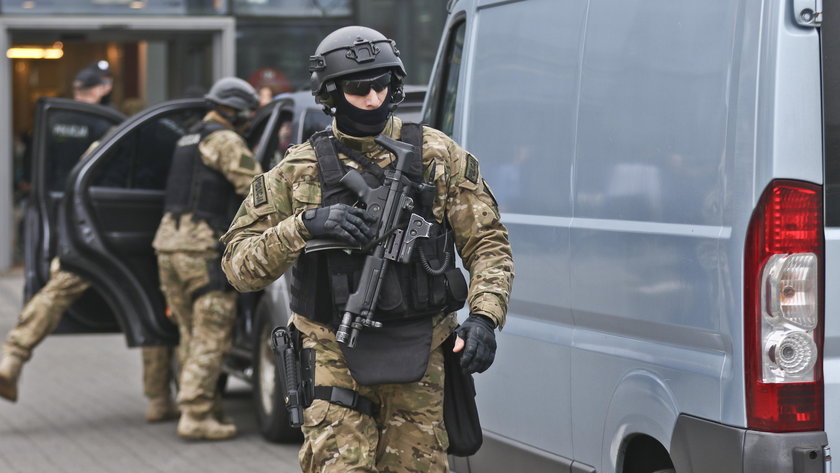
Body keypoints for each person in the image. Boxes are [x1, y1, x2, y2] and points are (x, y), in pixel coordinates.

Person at [221, 26, 514, 472]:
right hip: (331, 353)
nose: (374, 99)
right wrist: (304, 226)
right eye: (359, 89)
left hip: (420, 353)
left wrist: (484, 317)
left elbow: (488, 243)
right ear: (331, 93)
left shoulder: (438, 156)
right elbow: (238, 267)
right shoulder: (298, 169)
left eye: (383, 85)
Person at [0, 63, 179, 423]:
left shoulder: (55, 122)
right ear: (103, 87)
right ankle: (158, 399)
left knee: (57, 289)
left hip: (69, 224)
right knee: (151, 303)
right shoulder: (108, 128)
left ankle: (12, 357)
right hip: (108, 223)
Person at [153, 76, 262, 440]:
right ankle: (196, 415)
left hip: (168, 245)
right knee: (212, 333)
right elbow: (258, 188)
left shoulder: (188, 137)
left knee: (190, 332)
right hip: (201, 249)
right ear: (235, 110)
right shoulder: (225, 140)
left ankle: (202, 405)